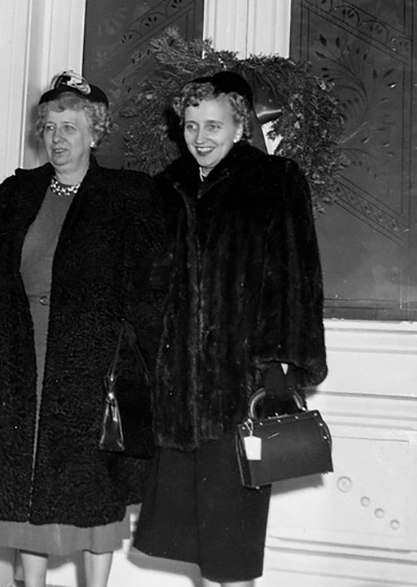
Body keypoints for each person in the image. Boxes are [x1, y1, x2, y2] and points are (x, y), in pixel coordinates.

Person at [0, 71, 166, 587]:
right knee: (23, 477)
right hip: (21, 353)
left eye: (71, 127)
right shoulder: (17, 192)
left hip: (94, 364)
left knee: (91, 486)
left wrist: (144, 359)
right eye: (50, 127)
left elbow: (152, 286)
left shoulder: (129, 195)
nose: (58, 138)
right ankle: (32, 583)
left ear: (96, 132)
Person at [133, 71, 328, 587]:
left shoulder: (275, 179)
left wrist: (280, 366)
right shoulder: (164, 188)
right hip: (176, 389)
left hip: (241, 385)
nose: (200, 137)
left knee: (233, 542)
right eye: (191, 125)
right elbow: (149, 287)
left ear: (240, 125)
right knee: (194, 539)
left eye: (213, 125)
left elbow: (297, 276)